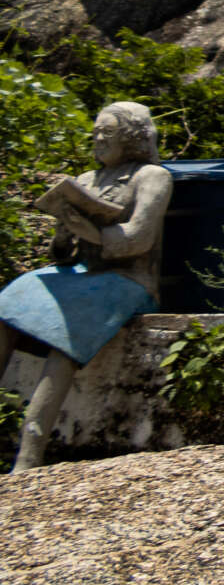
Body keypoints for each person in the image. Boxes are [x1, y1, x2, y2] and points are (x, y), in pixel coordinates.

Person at [0, 101, 172, 472]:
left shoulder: (152, 177)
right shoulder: (86, 179)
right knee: (10, 299)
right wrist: (63, 232)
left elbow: (138, 238)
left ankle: (30, 452)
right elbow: (62, 255)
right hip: (83, 273)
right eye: (96, 132)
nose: (98, 139)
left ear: (131, 138)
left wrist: (91, 231)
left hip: (128, 279)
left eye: (108, 133)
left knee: (70, 323)